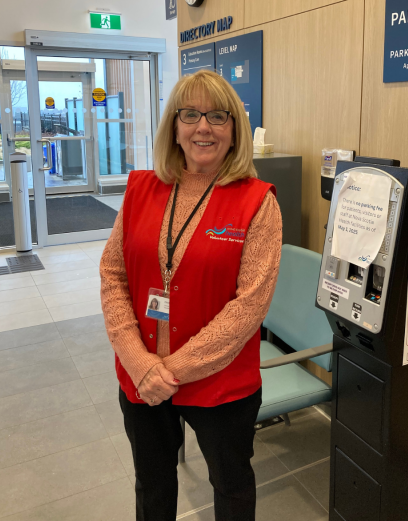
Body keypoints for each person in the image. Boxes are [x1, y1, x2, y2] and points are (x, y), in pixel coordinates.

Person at [100, 69, 282, 521]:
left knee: (232, 487)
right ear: (175, 128)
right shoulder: (141, 188)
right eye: (191, 114)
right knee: (153, 487)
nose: (204, 126)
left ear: (234, 130)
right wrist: (142, 365)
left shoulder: (257, 202)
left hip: (221, 386)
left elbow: (250, 304)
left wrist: (173, 370)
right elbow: (113, 274)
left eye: (218, 116)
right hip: (142, 379)